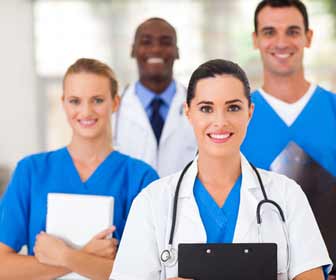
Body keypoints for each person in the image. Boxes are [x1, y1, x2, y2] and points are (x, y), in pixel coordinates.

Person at [111, 59, 332, 280]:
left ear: (250, 112)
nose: (220, 121)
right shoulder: (152, 201)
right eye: (206, 108)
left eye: (233, 107)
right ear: (188, 113)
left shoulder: (286, 194)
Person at [0, 58, 158, 279]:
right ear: (63, 102)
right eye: (75, 101)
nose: (86, 111)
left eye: (97, 100)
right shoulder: (31, 171)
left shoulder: (141, 178)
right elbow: (3, 266)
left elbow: (145, 273)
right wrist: (87, 255)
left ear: (115, 103)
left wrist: (66, 256)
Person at [240, 1, 336, 277]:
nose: (281, 42)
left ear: (308, 37)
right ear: (255, 40)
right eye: (269, 32)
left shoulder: (332, 109)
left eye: (292, 31)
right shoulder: (235, 119)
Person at [112, 17, 197, 177]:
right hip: (133, 201)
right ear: (133, 50)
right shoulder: (113, 110)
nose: (156, 49)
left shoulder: (200, 107)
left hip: (184, 201)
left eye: (165, 42)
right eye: (146, 42)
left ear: (177, 51)